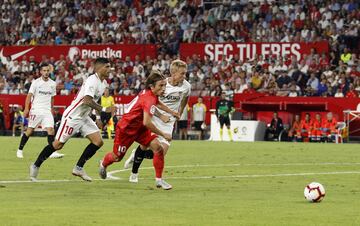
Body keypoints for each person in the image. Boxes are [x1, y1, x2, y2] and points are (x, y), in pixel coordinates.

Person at [29, 58, 114, 182]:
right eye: (107, 66)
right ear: (99, 68)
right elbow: (87, 100)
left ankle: (78, 168)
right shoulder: (92, 81)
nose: (109, 69)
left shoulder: (103, 83)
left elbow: (95, 101)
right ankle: (36, 165)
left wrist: (98, 117)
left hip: (84, 117)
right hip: (73, 117)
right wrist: (104, 109)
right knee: (57, 145)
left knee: (98, 141)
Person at [99, 70, 180, 190]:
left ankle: (159, 180)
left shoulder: (149, 93)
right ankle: (103, 163)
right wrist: (163, 134)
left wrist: (171, 112)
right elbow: (147, 122)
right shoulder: (149, 98)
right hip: (126, 129)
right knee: (117, 157)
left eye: (164, 85)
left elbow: (157, 103)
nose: (164, 88)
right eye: (161, 86)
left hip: (139, 129)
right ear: (152, 86)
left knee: (158, 148)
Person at [123, 59, 190, 187]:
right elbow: (152, 102)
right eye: (182, 73)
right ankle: (134, 173)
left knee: (161, 152)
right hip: (154, 117)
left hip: (168, 122)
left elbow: (185, 99)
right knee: (144, 146)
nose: (184, 76)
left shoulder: (186, 86)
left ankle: (137, 158)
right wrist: (161, 115)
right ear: (173, 73)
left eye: (185, 73)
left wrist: (179, 112)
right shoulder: (162, 85)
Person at [16, 63, 64, 159]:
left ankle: (52, 152)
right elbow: (29, 96)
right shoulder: (36, 83)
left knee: (51, 130)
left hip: (46, 111)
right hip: (36, 110)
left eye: (47, 71)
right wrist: (26, 108)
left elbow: (52, 98)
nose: (46, 73)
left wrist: (51, 109)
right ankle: (20, 150)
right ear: (41, 72)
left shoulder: (52, 84)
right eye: (44, 71)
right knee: (30, 131)